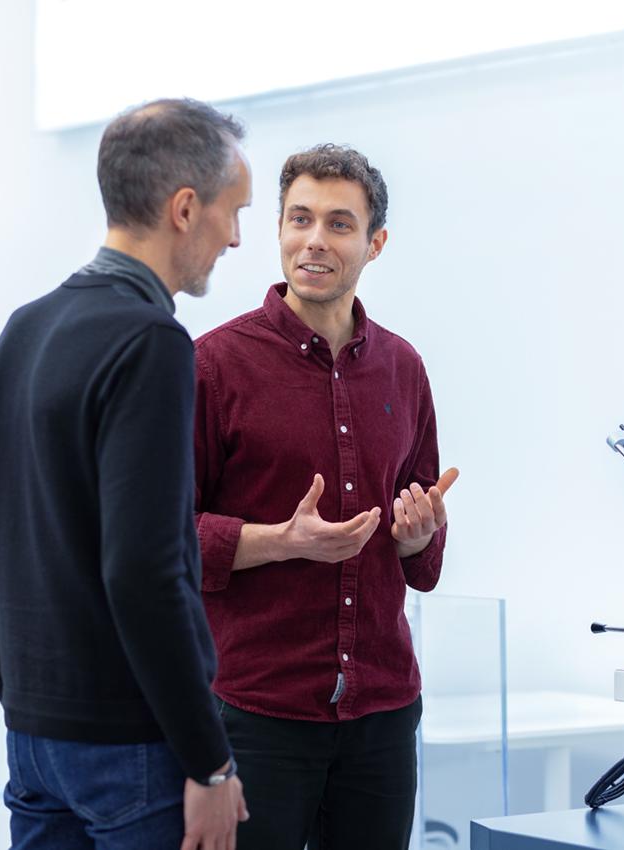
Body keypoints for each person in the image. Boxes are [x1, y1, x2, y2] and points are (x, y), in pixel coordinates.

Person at [0, 98, 252, 850]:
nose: (236, 237)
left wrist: (24, 687)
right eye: (232, 212)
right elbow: (144, 570)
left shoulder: (29, 325)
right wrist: (210, 763)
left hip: (37, 743)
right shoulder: (152, 341)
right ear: (184, 209)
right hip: (135, 751)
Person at [192, 143, 458, 849]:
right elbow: (163, 539)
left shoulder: (403, 367)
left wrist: (419, 535)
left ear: (375, 243)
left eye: (339, 224)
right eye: (299, 218)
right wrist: (280, 542)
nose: (314, 239)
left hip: (382, 712)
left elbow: (424, 557)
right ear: (279, 229)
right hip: (257, 713)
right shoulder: (212, 365)